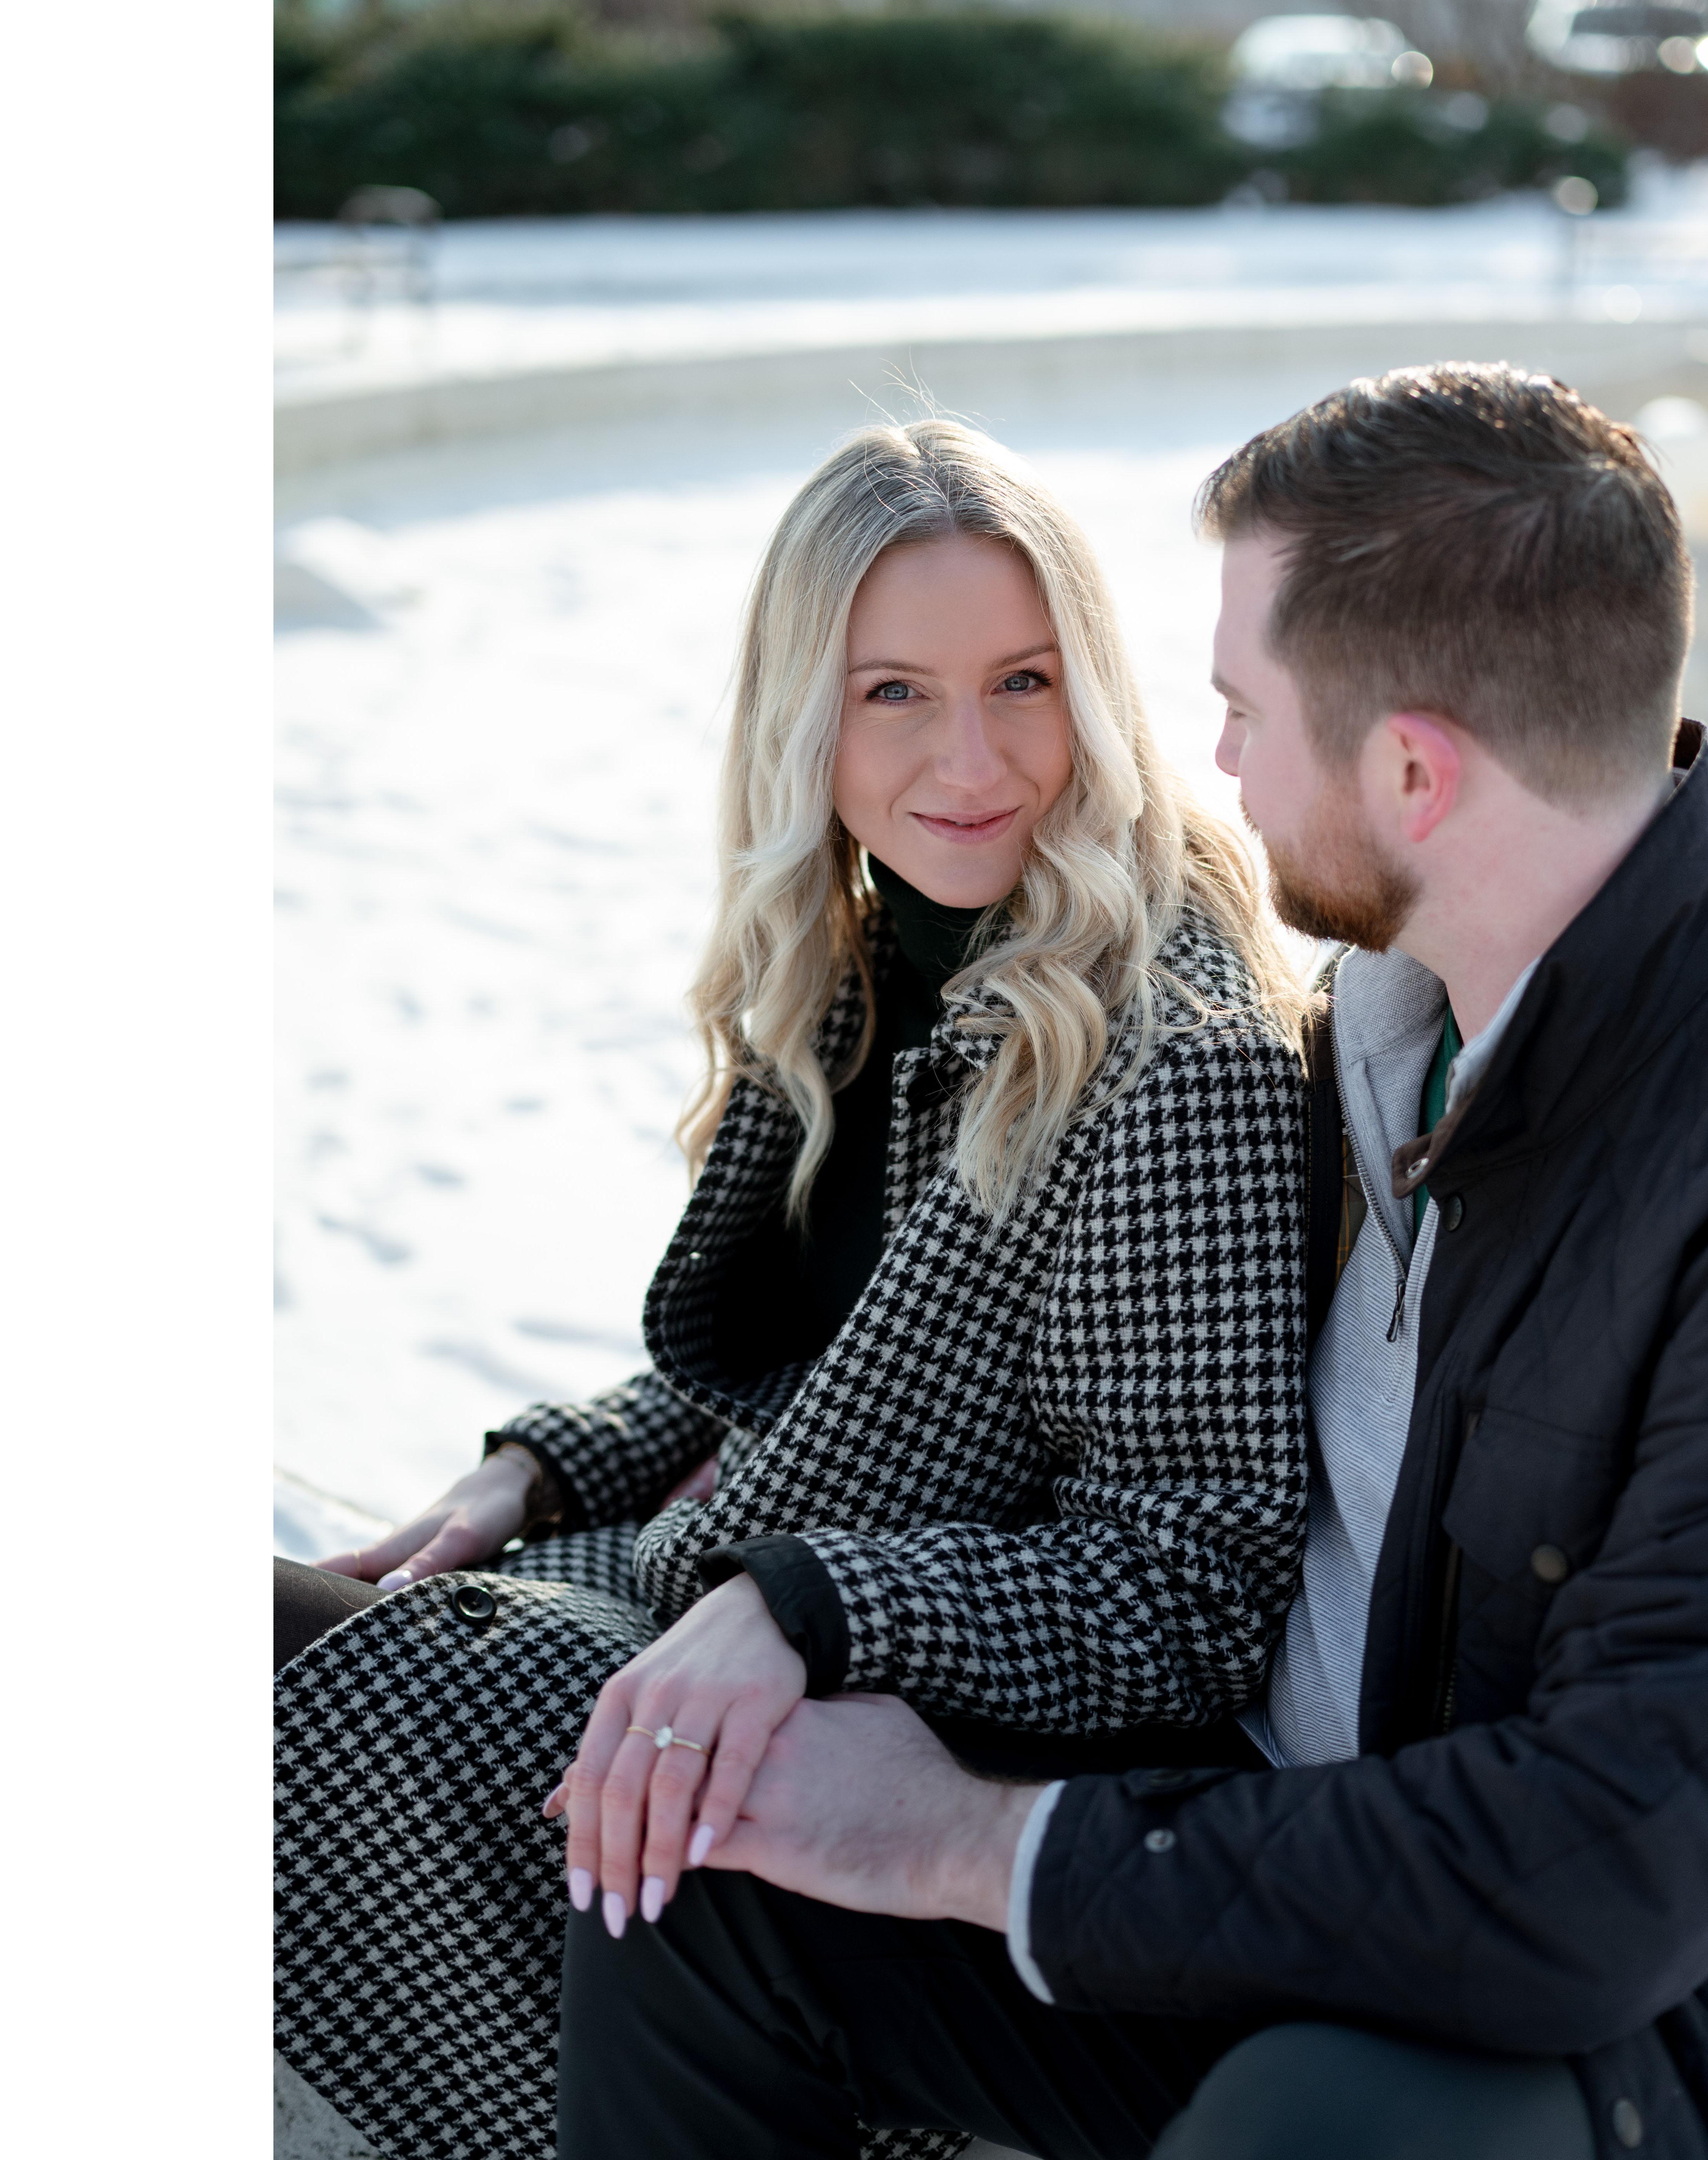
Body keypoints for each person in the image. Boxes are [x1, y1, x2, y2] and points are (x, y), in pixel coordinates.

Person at [551, 363, 1708, 2160]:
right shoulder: (1389, 1027)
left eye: (1242, 709)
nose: (1208, 760)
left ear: (1410, 770)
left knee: (1313, 2125)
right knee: (702, 1886)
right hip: (1266, 1842)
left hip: (1625, 2016)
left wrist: (970, 1839)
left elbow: (1596, 1872)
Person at [272, 419, 1314, 2160]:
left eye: (1024, 682)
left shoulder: (1165, 1053)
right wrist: (538, 1468)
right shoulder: (865, 946)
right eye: (894, 693)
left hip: (904, 1738)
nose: (971, 759)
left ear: (1096, 687)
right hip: (712, 1608)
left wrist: (813, 1607)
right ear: (801, 716)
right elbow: (783, 1366)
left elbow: (1194, 1581)